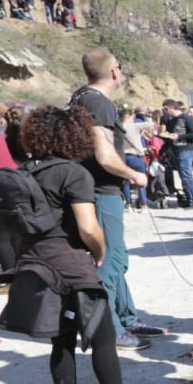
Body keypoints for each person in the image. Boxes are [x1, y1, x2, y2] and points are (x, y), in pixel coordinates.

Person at [0, 106, 161, 384]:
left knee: (62, 342)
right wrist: (99, 252)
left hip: (36, 263)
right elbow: (88, 227)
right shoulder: (73, 173)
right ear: (75, 136)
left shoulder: (25, 172)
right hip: (71, 262)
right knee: (103, 338)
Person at [69, 49, 162, 351]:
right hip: (101, 191)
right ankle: (112, 328)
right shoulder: (99, 103)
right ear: (113, 72)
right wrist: (134, 175)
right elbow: (104, 154)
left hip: (93, 189)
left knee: (115, 260)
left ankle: (126, 316)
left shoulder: (80, 98)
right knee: (110, 261)